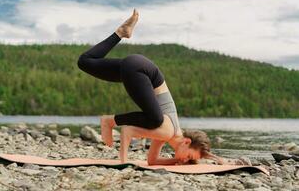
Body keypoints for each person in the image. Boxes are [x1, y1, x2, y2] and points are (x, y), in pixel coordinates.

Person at [77, 9, 248, 166]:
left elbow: (152, 161)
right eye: (188, 157)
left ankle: (120, 33)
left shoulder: (166, 134)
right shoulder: (167, 131)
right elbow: (127, 131)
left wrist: (206, 159)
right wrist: (124, 162)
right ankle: (110, 120)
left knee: (85, 62)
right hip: (142, 71)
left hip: (138, 68)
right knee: (155, 119)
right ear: (187, 142)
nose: (185, 160)